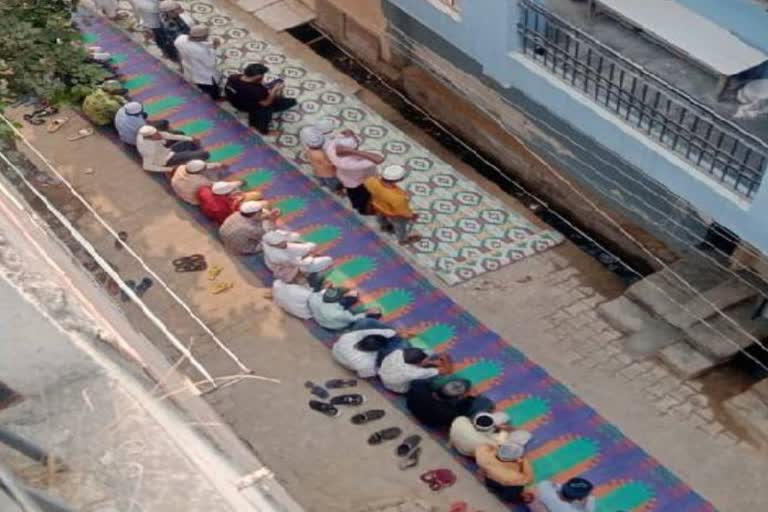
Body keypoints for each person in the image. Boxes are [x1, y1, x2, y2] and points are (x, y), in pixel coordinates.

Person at [224, 63, 297, 135]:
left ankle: (254, 121)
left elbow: (246, 87)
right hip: (246, 106)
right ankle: (262, 130)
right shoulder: (256, 90)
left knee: (275, 87)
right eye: (263, 75)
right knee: (271, 108)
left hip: (234, 100)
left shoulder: (233, 77)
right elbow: (266, 103)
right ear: (258, 76)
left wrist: (262, 85)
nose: (263, 76)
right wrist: (274, 91)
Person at [326, 131, 383, 214]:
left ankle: (355, 203)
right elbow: (379, 159)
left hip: (345, 178)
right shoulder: (350, 163)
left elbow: (346, 131)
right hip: (358, 183)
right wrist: (354, 151)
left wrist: (349, 135)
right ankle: (364, 211)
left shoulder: (331, 148)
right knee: (363, 198)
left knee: (353, 195)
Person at [406, 378, 494, 429]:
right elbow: (462, 413)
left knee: (463, 382)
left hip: (414, 407)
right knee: (485, 402)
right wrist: (470, 398)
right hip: (432, 421)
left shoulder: (418, 388)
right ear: (457, 399)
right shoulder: (450, 413)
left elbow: (419, 382)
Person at [365, 164, 420, 245]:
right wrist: (412, 216)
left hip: (377, 206)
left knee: (380, 217)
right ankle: (403, 240)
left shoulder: (371, 180)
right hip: (393, 214)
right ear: (399, 179)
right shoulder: (398, 197)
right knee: (400, 226)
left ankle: (384, 227)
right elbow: (403, 212)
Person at [331, 325, 402, 378]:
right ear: (377, 350)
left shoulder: (347, 337)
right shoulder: (368, 362)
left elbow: (366, 332)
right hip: (347, 361)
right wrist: (393, 332)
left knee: (366, 323)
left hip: (335, 353)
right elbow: (366, 375)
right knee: (400, 345)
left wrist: (392, 332)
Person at [261, 230, 333, 283]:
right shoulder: (280, 256)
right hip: (291, 269)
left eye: (282, 241)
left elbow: (291, 236)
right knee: (328, 260)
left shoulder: (268, 239)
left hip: (289, 260)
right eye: (280, 243)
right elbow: (302, 263)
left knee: (311, 245)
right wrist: (311, 256)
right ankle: (301, 274)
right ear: (272, 245)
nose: (283, 243)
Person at [175, 25, 221, 100]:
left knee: (199, 83)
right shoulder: (201, 51)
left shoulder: (180, 38)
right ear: (202, 37)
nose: (207, 37)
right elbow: (211, 63)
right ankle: (216, 98)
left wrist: (211, 44)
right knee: (212, 88)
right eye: (206, 35)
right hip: (202, 73)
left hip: (188, 66)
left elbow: (198, 44)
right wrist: (214, 48)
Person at [136, 125, 208, 173]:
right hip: (166, 160)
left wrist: (191, 139)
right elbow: (147, 166)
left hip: (166, 151)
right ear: (149, 137)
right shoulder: (148, 149)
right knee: (204, 154)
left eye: (157, 132)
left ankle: (190, 156)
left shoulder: (143, 134)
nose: (159, 134)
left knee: (188, 141)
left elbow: (169, 136)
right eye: (156, 134)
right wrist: (170, 169)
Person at [378, 347, 452, 394]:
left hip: (384, 375)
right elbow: (446, 371)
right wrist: (446, 358)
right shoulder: (415, 372)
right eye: (425, 360)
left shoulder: (397, 352)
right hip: (398, 388)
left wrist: (429, 362)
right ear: (418, 363)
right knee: (439, 378)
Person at [449, 411, 523, 457]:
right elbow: (500, 445)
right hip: (467, 452)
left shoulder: (460, 420)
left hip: (459, 444)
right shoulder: (489, 443)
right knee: (522, 435)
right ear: (492, 427)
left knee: (503, 416)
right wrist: (504, 431)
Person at [307, 286, 382, 331]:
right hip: (331, 325)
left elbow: (319, 294)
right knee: (373, 313)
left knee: (352, 296)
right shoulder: (339, 314)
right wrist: (366, 313)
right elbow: (353, 318)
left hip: (321, 317)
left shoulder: (314, 298)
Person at [299, 122, 342, 194]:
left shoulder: (309, 151)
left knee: (321, 178)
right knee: (332, 182)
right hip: (327, 174)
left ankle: (322, 184)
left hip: (317, 170)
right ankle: (334, 189)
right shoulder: (320, 154)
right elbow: (328, 164)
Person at [197, 181, 262, 225]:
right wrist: (239, 199)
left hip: (209, 211)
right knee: (257, 195)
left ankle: (240, 183)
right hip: (224, 218)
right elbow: (237, 212)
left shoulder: (203, 190)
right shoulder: (224, 207)